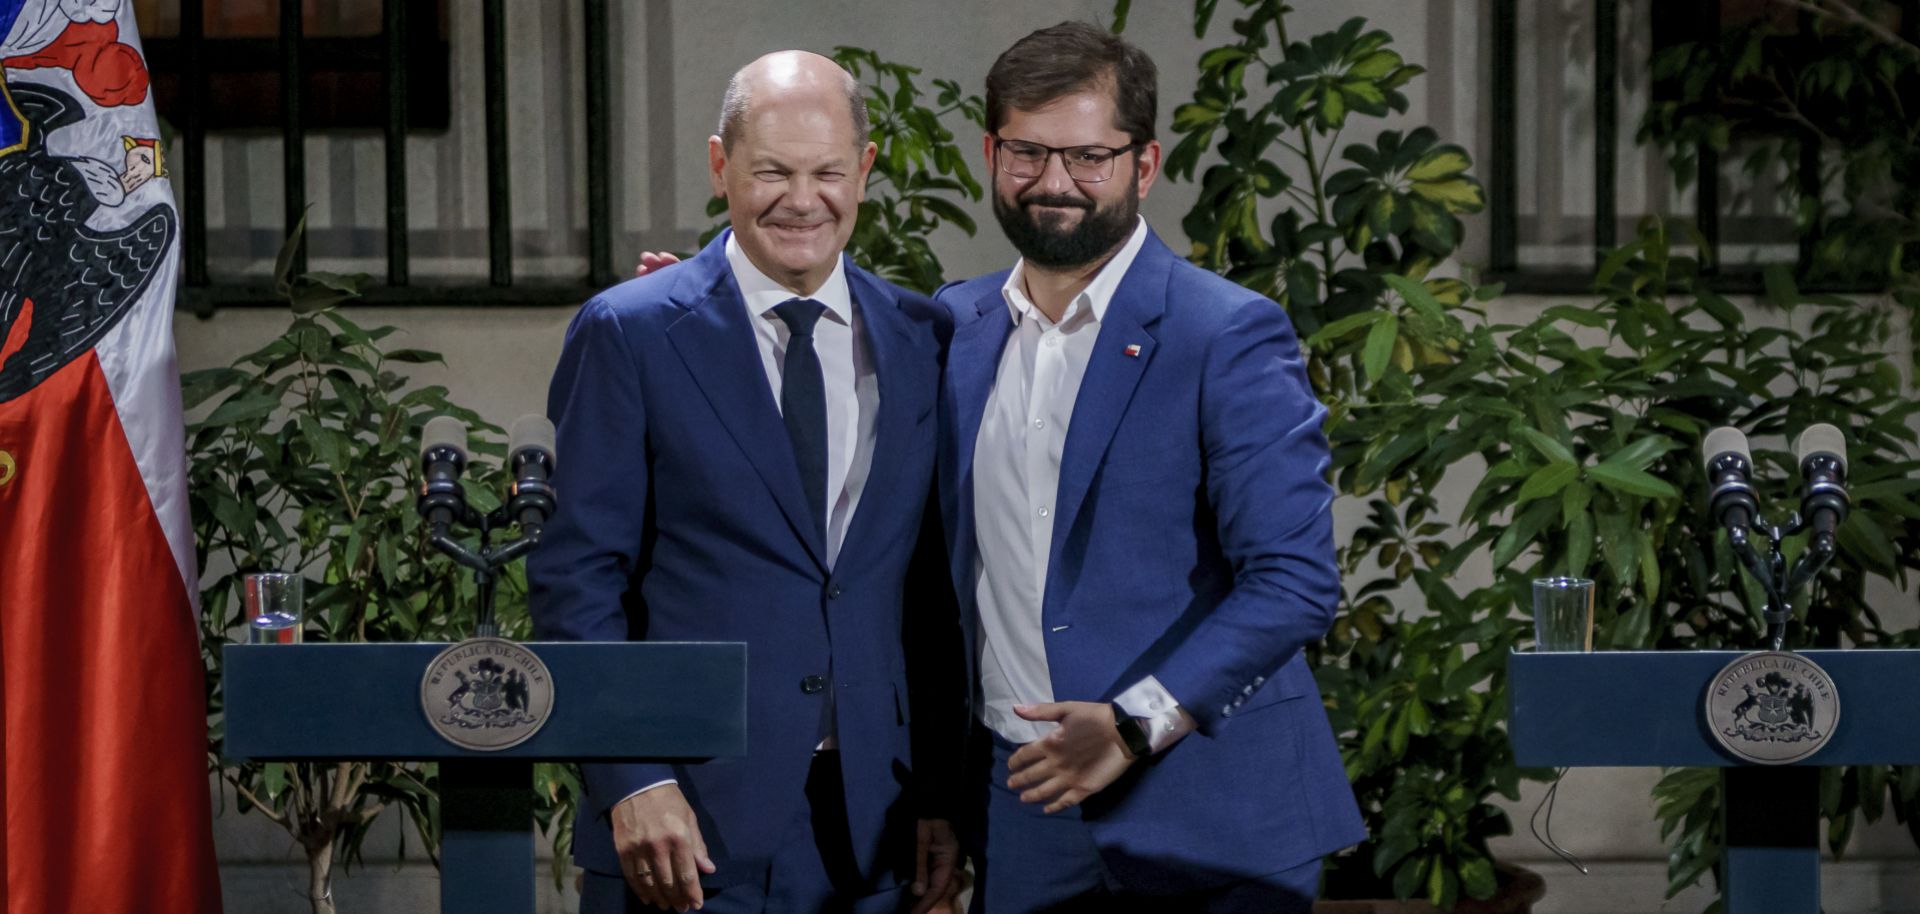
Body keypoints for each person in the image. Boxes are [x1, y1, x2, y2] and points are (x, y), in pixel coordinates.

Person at [931, 22, 1368, 913]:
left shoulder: (1225, 332)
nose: (1054, 182)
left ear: (1145, 162)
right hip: (1021, 807)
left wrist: (1134, 727)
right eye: (1027, 152)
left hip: (1213, 810)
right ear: (990, 150)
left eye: (1089, 156)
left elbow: (1294, 581)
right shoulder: (951, 328)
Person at [530, 50, 960, 914]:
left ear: (865, 172)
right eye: (772, 171)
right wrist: (631, 777)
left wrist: (943, 791)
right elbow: (577, 579)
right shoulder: (633, 332)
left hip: (875, 832)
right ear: (722, 164)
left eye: (828, 172)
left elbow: (932, 590)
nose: (802, 201)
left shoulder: (922, 335)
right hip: (685, 829)